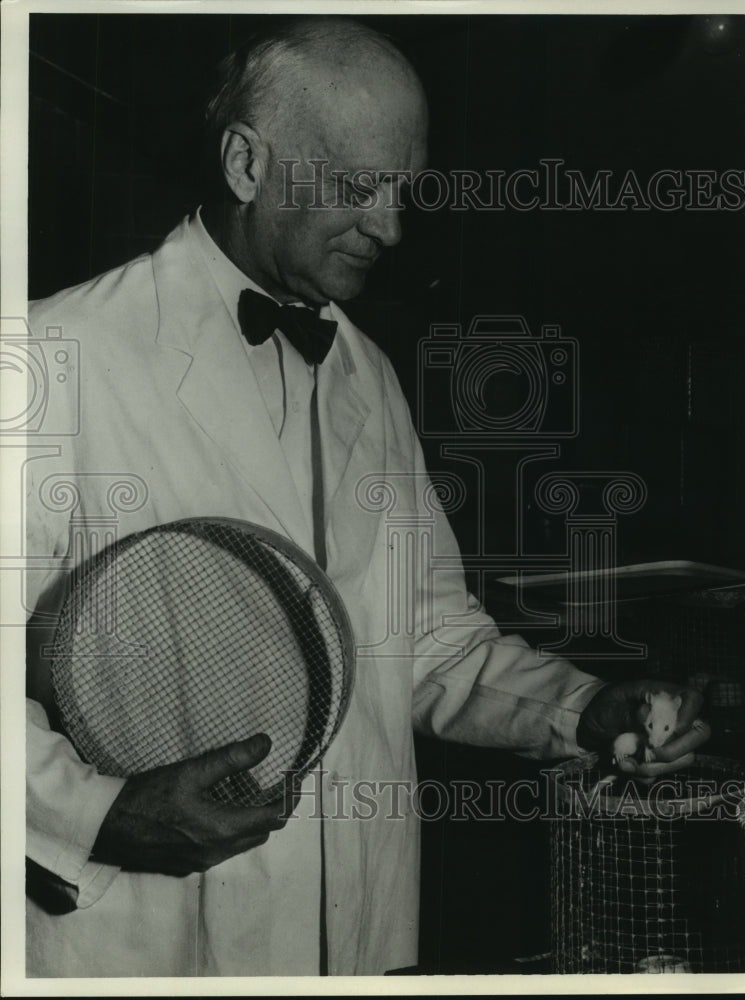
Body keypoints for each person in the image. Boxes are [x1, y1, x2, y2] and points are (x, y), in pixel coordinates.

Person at [24, 16, 708, 978]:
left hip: (358, 941)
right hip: (143, 944)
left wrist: (582, 707)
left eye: (402, 193)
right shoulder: (55, 355)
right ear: (244, 163)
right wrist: (97, 814)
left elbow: (426, 638)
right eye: (354, 188)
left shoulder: (368, 373)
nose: (389, 228)